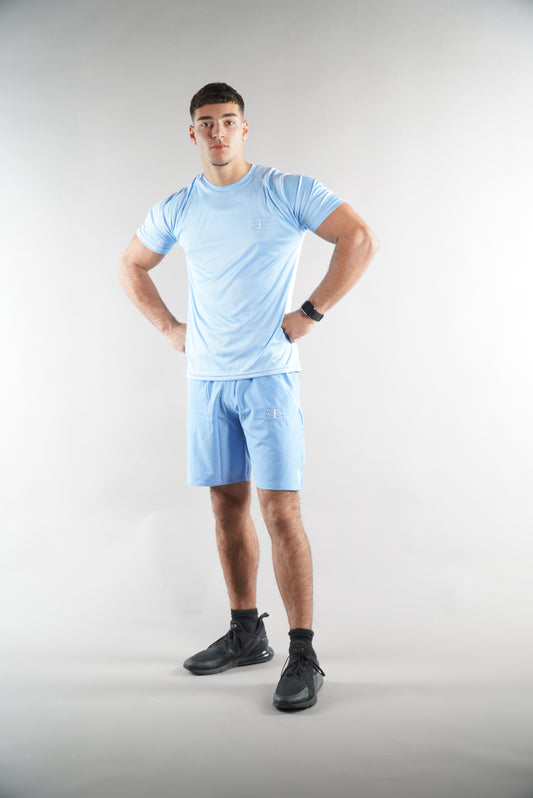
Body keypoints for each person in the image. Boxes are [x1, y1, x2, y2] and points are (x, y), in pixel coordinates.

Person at [118, 82, 379, 711]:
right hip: (207, 380)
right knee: (226, 506)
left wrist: (310, 313)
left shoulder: (284, 190)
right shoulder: (180, 207)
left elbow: (359, 238)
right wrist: (169, 328)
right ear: (193, 132)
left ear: (244, 128)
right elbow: (131, 264)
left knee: (280, 510)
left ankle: (304, 652)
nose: (217, 132)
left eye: (228, 121)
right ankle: (246, 632)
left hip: (268, 376)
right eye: (206, 123)